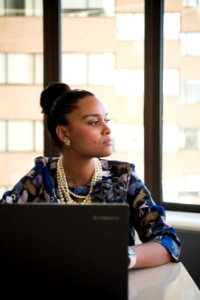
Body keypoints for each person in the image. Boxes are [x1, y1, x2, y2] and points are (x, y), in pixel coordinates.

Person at [0, 82, 181, 269]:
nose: (107, 129)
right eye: (94, 122)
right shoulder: (41, 175)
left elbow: (168, 241)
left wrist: (122, 257)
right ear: (64, 133)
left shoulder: (123, 176)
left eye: (106, 120)